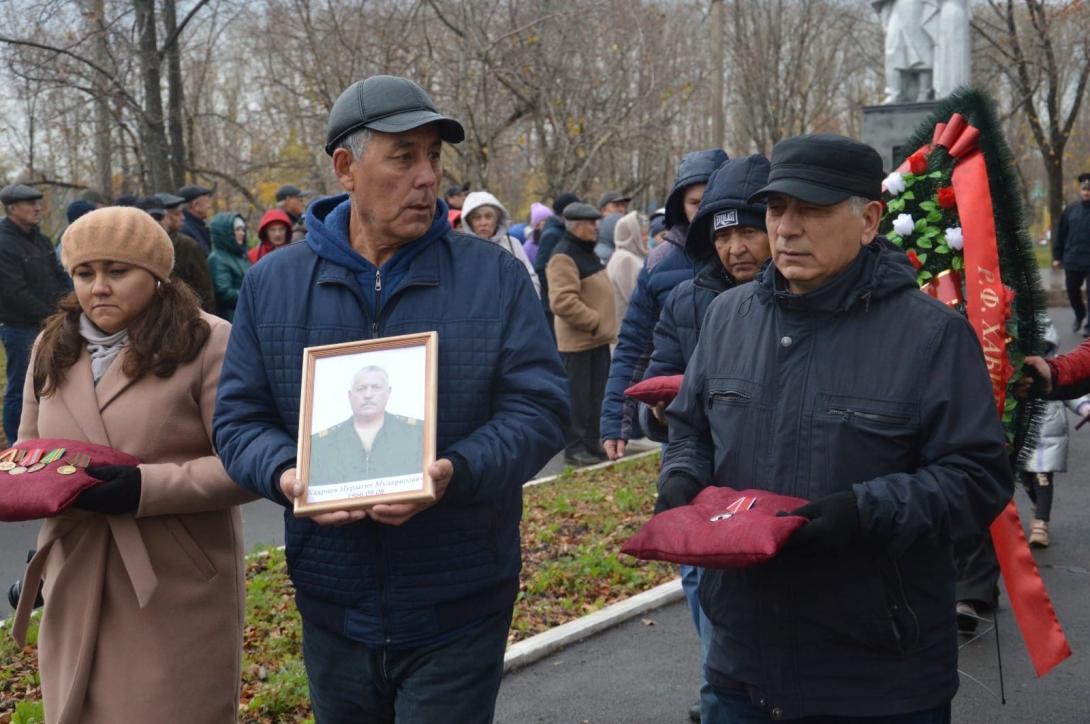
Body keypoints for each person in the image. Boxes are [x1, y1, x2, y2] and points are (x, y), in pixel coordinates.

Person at [212, 75, 568, 723]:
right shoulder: (274, 284)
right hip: (332, 606)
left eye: (433, 156)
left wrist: (455, 472)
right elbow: (238, 420)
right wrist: (287, 473)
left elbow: (540, 410)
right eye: (403, 157)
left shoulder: (494, 276)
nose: (427, 177)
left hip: (459, 601)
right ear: (346, 168)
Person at [657, 134, 1012, 722]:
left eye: (812, 210)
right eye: (777, 209)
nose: (787, 229)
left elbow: (978, 478)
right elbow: (690, 429)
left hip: (877, 677)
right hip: (740, 666)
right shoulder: (727, 318)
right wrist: (682, 478)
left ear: (869, 220)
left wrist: (866, 512)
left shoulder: (931, 336)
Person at [10, 206, 254, 723]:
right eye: (84, 273)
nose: (98, 287)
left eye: (117, 271)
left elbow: (245, 464)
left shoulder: (207, 340)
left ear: (156, 274)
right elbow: (30, 453)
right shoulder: (51, 345)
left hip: (173, 576)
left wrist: (144, 487)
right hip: (74, 569)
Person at [638, 154, 771, 723]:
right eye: (722, 236)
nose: (735, 248)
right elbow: (656, 379)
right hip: (701, 489)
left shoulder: (802, 299)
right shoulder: (686, 299)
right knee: (712, 611)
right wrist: (658, 417)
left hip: (771, 491)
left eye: (748, 232)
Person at [600, 148, 727, 460]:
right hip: (680, 421)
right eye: (695, 202)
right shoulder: (660, 262)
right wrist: (616, 417)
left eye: (712, 199)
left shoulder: (756, 256)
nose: (705, 210)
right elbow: (634, 344)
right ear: (680, 206)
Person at [547, 202, 618, 466]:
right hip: (579, 342)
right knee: (578, 400)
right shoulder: (564, 255)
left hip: (595, 340)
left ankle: (591, 442)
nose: (595, 227)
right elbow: (562, 301)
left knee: (596, 397)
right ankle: (574, 448)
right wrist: (594, 321)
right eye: (590, 223)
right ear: (576, 226)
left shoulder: (585, 251)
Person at [0, 184, 70, 444]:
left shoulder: (40, 239)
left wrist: (70, 304)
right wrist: (52, 316)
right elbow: (13, 293)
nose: (38, 208)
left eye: (38, 203)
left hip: (51, 322)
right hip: (19, 328)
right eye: (30, 204)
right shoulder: (3, 243)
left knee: (51, 383)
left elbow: (59, 275)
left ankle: (45, 438)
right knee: (21, 388)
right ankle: (17, 447)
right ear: (12, 209)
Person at [309, 366, 424, 484]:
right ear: (350, 395)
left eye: (376, 387)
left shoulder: (417, 434)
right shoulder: (320, 444)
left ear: (388, 392)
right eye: (361, 388)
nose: (368, 395)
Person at [461, 190, 540, 296]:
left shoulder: (512, 244)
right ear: (469, 222)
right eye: (477, 217)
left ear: (497, 219)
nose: (483, 223)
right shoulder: (463, 249)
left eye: (488, 216)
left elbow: (531, 279)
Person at [152, 192, 216, 313]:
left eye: (181, 213)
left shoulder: (187, 245)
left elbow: (205, 289)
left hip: (186, 314)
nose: (183, 217)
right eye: (176, 214)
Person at [533, 192, 581, 329]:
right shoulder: (552, 234)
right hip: (552, 306)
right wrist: (557, 291)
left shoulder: (562, 231)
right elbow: (541, 268)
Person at [1053, 172, 1090, 335]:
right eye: (1084, 189)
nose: (1086, 192)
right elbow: (1061, 234)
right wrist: (1057, 256)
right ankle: (1080, 314)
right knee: (1072, 290)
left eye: (1089, 189)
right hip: (1073, 258)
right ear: (1080, 190)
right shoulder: (1071, 209)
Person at [606, 210, 649, 324]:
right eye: (642, 235)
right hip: (629, 326)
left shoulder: (622, 255)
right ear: (631, 236)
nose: (646, 238)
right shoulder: (626, 259)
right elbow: (634, 297)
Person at [207, 212, 252, 321]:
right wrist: (253, 294)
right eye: (237, 229)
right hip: (231, 318)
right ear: (225, 232)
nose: (242, 233)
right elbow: (224, 293)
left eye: (243, 229)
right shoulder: (217, 258)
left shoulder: (240, 255)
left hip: (245, 314)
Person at [595, 190, 633, 263]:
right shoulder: (593, 232)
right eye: (616, 206)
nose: (621, 209)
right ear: (603, 210)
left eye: (623, 205)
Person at [178, 184, 214, 255]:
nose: (209, 206)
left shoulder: (197, 225)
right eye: (206, 202)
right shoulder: (185, 229)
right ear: (195, 205)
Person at [525, 201, 554, 266]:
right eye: (545, 220)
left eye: (551, 219)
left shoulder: (554, 239)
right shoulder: (528, 247)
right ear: (537, 225)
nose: (550, 222)